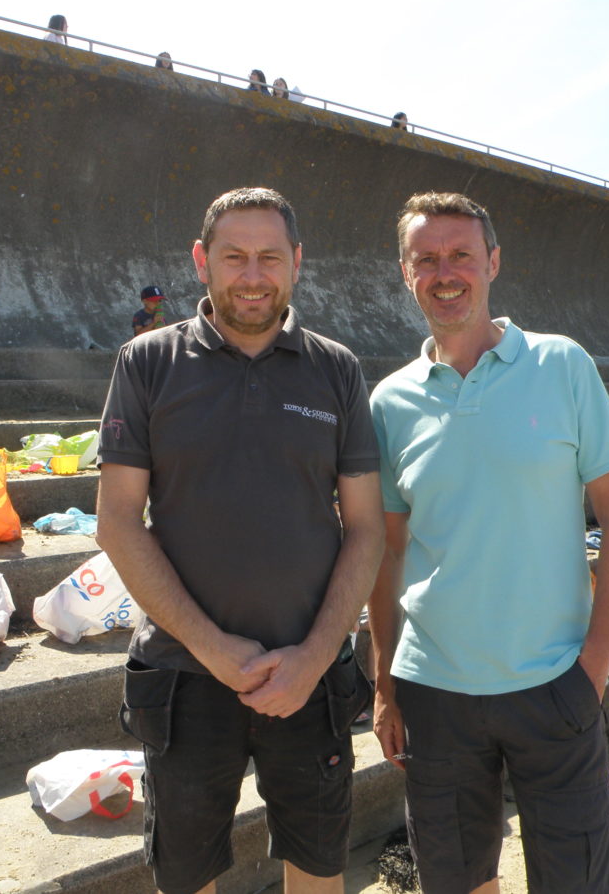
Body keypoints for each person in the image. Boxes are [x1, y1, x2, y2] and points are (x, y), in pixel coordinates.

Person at [96, 187, 383, 894]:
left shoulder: (337, 369)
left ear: (296, 264)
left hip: (309, 676)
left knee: (319, 869)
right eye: (234, 257)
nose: (252, 275)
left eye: (269, 257)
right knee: (186, 876)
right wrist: (213, 648)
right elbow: (118, 522)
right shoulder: (146, 364)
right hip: (185, 675)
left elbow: (368, 526)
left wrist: (315, 657)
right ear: (202, 261)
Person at [369, 191, 609, 893]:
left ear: (492, 262)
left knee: (578, 882)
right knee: (456, 881)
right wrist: (384, 685)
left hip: (554, 684)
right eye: (426, 259)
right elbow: (388, 550)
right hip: (432, 691)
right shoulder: (389, 402)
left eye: (461, 254)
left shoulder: (562, 365)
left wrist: (594, 667)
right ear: (405, 272)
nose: (445, 272)